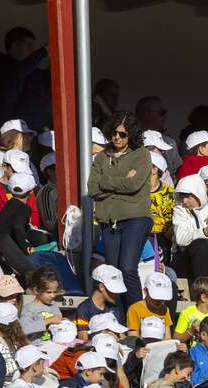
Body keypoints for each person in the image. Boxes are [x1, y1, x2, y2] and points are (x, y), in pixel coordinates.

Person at [87, 112, 151, 313]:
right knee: (113, 272)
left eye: (123, 134)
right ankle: (119, 317)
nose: (117, 137)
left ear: (131, 135)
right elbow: (92, 188)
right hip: (110, 220)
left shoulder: (141, 155)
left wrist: (107, 182)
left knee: (128, 268)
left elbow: (134, 184)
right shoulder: (101, 156)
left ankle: (137, 315)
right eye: (114, 133)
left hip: (136, 218)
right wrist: (121, 180)